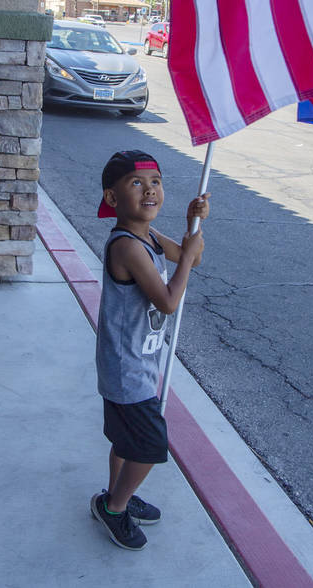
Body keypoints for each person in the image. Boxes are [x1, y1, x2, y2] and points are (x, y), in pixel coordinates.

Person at [90, 150, 209, 550]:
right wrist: (189, 260)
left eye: (155, 182)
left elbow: (191, 253)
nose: (149, 190)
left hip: (137, 361)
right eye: (136, 183)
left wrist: (193, 224)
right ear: (112, 198)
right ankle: (114, 508)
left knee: (126, 441)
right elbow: (168, 301)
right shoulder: (127, 247)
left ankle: (115, 493)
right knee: (150, 445)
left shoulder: (150, 237)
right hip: (128, 367)